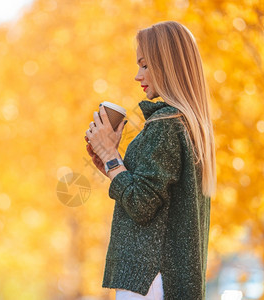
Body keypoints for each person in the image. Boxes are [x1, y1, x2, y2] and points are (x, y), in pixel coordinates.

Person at [84, 20, 216, 300]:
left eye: (145, 65)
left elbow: (142, 205)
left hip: (150, 280)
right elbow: (154, 196)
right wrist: (112, 163)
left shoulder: (165, 125)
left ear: (167, 64)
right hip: (165, 280)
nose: (137, 75)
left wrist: (110, 156)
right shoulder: (187, 125)